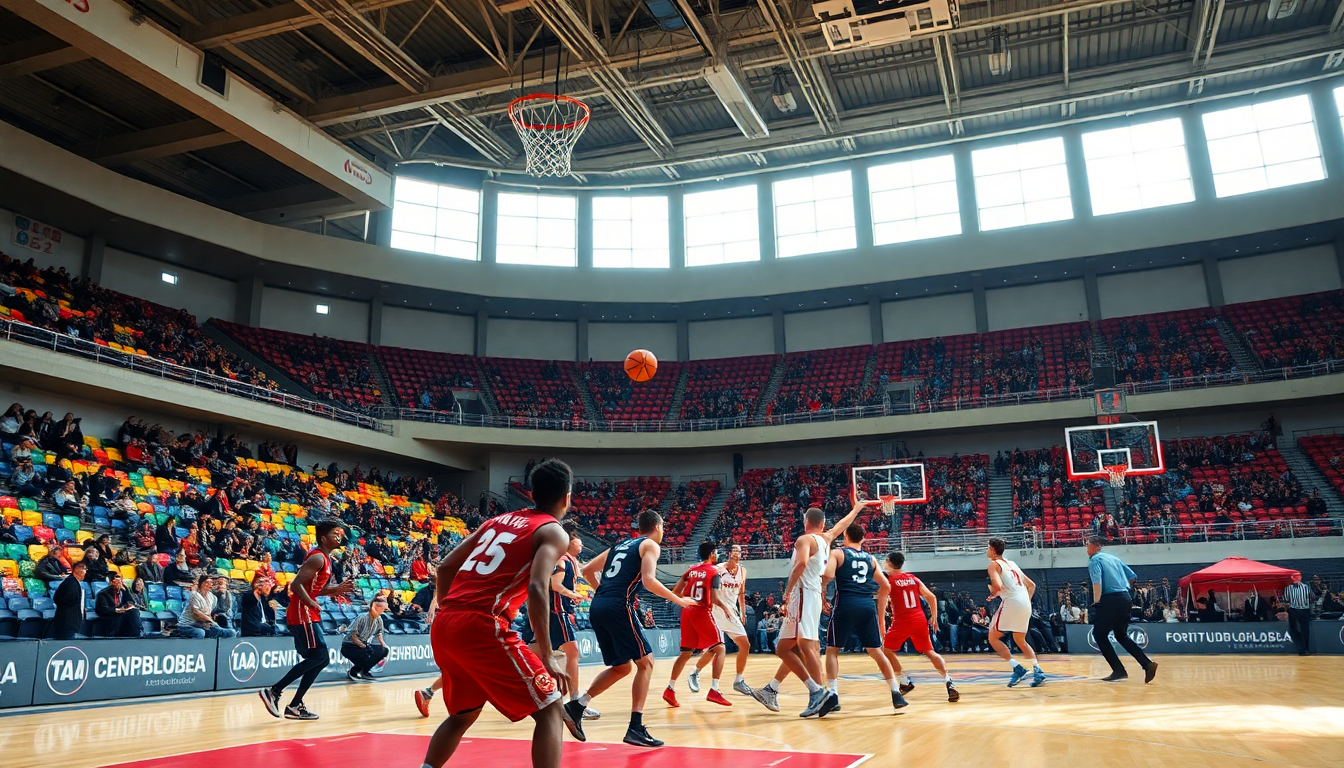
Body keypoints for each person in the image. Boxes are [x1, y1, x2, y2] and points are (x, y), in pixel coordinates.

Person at [418, 459, 581, 768]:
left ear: (531, 493)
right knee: (550, 707)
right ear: (567, 498)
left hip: (446, 622)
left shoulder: (497, 521)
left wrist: (448, 608)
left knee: (462, 714)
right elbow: (537, 587)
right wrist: (546, 654)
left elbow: (446, 567)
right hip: (482, 623)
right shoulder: (554, 532)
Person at [575, 510, 693, 748]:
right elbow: (649, 580)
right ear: (658, 527)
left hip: (598, 606)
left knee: (621, 667)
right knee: (646, 662)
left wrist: (602, 592)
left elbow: (586, 570)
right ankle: (635, 728)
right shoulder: (650, 545)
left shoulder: (618, 546)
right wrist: (678, 600)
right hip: (618, 605)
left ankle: (576, 706)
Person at [749, 500, 862, 718]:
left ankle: (818, 693)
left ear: (805, 521)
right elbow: (840, 526)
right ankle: (772, 689)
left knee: (802, 648)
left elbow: (800, 564)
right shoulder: (826, 539)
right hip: (812, 597)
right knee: (790, 648)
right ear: (823, 523)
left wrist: (787, 592)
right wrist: (856, 509)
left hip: (802, 596)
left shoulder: (804, 539)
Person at [258, 521, 355, 721]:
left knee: (321, 659)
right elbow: (296, 584)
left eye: (339, 534)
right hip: (303, 612)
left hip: (308, 611)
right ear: (323, 538)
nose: (339, 537)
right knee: (319, 657)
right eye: (334, 534)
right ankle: (274, 691)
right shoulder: (318, 557)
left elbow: (314, 588)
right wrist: (311, 601)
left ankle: (294, 705)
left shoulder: (325, 558)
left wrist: (334, 590)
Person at [820, 524, 905, 712]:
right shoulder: (871, 558)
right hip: (867, 606)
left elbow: (827, 574)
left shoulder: (838, 553)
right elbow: (885, 586)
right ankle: (896, 692)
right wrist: (879, 603)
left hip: (846, 605)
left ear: (845, 535)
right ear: (863, 539)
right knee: (876, 651)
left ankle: (833, 693)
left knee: (832, 650)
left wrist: (822, 589)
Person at [521, 522, 600, 721]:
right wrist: (572, 594)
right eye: (578, 540)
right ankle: (575, 701)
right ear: (569, 542)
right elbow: (556, 585)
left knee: (534, 655)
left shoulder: (568, 560)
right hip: (558, 612)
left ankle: (514, 688)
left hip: (551, 613)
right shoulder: (562, 559)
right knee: (573, 653)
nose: (581, 544)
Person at [880, 552, 960, 702]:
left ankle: (904, 682)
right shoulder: (913, 578)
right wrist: (934, 617)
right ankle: (949, 680)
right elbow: (932, 597)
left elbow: (883, 603)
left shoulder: (889, 579)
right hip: (919, 619)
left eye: (885, 560)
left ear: (890, 563)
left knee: (886, 650)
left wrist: (882, 623)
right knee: (930, 652)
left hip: (902, 620)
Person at [664, 540, 734, 708]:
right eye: (716, 552)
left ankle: (670, 689)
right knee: (720, 648)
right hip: (702, 611)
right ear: (711, 554)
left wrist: (685, 601)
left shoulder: (691, 569)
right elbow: (716, 599)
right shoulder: (714, 572)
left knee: (685, 653)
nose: (717, 555)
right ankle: (714, 690)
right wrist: (727, 609)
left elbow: (674, 592)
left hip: (687, 611)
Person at [685, 542, 753, 696]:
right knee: (715, 649)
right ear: (728, 553)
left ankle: (739, 680)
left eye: (740, 551)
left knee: (745, 645)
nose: (738, 553)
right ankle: (696, 673)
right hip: (715, 612)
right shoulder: (717, 570)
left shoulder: (742, 570)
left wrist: (743, 613)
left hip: (731, 613)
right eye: (735, 550)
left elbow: (741, 593)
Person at [1086, 536, 1157, 683]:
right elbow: (1132, 576)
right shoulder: (1113, 557)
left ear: (1094, 546)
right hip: (1125, 599)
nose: (1086, 549)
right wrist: (1127, 592)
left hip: (1110, 599)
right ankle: (1147, 664)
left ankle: (1118, 670)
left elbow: (1097, 583)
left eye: (1087, 546)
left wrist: (1097, 602)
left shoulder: (1094, 560)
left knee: (1099, 634)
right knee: (1121, 635)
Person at [986, 537, 1045, 687]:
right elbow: (1031, 585)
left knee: (993, 637)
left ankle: (1017, 668)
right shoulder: (1012, 564)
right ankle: (1037, 670)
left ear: (992, 550)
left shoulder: (993, 565)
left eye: (987, 548)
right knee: (1020, 640)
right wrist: (1025, 603)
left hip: (1012, 602)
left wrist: (993, 592)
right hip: (1025, 603)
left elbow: (998, 587)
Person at [342, 595, 390, 682]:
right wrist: (363, 646)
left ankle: (365, 672)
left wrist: (384, 645)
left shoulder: (379, 619)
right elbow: (352, 635)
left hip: (363, 644)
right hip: (349, 646)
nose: (383, 611)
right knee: (366, 653)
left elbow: (378, 632)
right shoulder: (362, 617)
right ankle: (353, 671)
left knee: (383, 651)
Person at [177, 573, 235, 639]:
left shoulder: (212, 597)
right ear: (201, 584)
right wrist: (213, 623)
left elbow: (209, 613)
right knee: (200, 633)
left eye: (211, 582)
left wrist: (212, 621)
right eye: (207, 582)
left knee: (231, 633)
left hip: (204, 625)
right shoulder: (194, 596)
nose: (210, 584)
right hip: (187, 626)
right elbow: (197, 615)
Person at [51, 560, 87, 640]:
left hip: (69, 621)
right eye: (84, 569)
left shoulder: (73, 582)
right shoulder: (71, 583)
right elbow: (62, 599)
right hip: (68, 622)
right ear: (77, 570)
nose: (85, 572)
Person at [1282, 571, 1313, 655]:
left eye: (1298, 576)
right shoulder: (1288, 588)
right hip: (1293, 610)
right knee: (1294, 630)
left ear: (1300, 577)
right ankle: (1301, 649)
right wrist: (1286, 604)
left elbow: (1311, 598)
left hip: (1304, 610)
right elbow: (1285, 599)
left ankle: (1305, 649)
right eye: (1294, 576)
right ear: (1292, 578)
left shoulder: (1306, 587)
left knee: (1305, 630)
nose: (1296, 578)